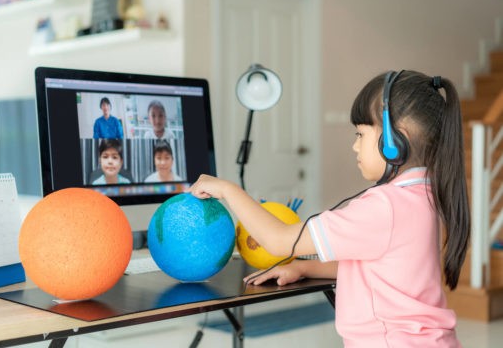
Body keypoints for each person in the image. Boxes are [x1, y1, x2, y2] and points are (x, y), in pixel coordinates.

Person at [190, 70, 470, 347]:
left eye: (360, 134)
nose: (354, 146)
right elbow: (381, 268)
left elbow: (278, 241)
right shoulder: (424, 194)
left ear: (395, 141)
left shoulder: (384, 207)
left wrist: (228, 190)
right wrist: (304, 267)